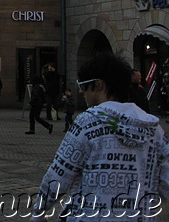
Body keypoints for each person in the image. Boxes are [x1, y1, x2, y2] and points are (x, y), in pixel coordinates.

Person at [32, 53, 169, 221]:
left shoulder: (88, 122)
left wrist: (38, 213)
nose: (81, 90)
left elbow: (59, 175)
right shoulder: (154, 129)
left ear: (98, 85)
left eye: (83, 85)